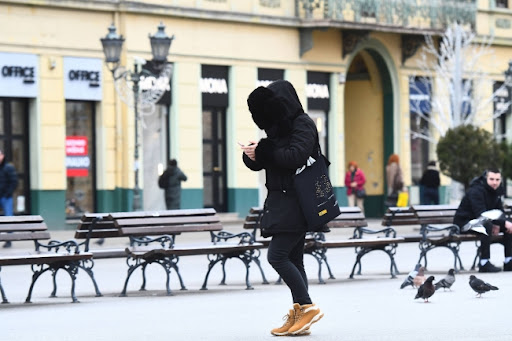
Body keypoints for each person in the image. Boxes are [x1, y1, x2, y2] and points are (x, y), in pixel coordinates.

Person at [242, 80, 324, 336]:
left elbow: (294, 157)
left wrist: (266, 151)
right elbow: (271, 159)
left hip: (297, 202)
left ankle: (307, 307)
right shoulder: (279, 130)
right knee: (294, 259)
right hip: (282, 201)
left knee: (276, 256)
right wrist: (253, 155)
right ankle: (301, 313)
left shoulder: (303, 124)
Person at [453, 168, 512, 272]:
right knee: (486, 226)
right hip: (465, 223)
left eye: (497, 180)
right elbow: (481, 214)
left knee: (509, 225)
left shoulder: (496, 191)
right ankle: (484, 263)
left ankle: (509, 261)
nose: (495, 182)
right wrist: (499, 222)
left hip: (482, 220)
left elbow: (500, 211)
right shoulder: (476, 191)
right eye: (492, 179)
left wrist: (501, 223)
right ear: (486, 178)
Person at [0, 149, 18, 248]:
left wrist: (7, 194)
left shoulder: (8, 168)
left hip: (6, 197)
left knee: (8, 218)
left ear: (2, 156)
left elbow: (14, 182)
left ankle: (9, 240)